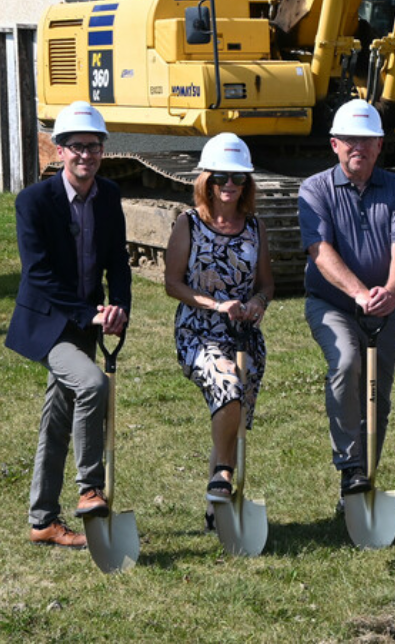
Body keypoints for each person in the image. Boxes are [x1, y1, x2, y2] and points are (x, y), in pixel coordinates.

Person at [7, 101, 131, 548]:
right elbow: (37, 274)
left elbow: (117, 260)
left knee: (58, 418)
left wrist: (118, 307)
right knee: (93, 385)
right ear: (59, 150)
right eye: (76, 146)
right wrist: (87, 314)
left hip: (86, 323)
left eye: (93, 146)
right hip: (47, 325)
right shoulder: (34, 202)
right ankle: (88, 488)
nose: (86, 155)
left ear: (102, 150)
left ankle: (42, 519)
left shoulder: (110, 196)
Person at [298, 99, 395, 501]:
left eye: (366, 140)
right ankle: (350, 464)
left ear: (380, 145)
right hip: (331, 302)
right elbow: (319, 249)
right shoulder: (315, 189)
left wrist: (392, 290)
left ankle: (363, 480)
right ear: (334, 144)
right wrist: (359, 293)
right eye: (350, 140)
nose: (358, 148)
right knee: (347, 362)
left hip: (384, 305)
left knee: (377, 394)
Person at [164, 133, 274, 532]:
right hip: (199, 332)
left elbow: (266, 283)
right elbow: (172, 283)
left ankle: (216, 511)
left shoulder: (255, 228)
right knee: (227, 388)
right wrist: (215, 305)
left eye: (238, 178)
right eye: (221, 177)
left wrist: (258, 302)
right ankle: (224, 473)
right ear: (206, 180)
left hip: (244, 336)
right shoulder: (189, 224)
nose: (229, 185)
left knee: (232, 418)